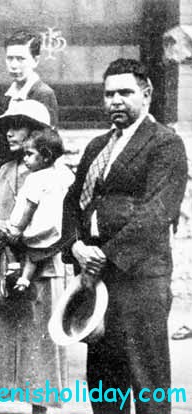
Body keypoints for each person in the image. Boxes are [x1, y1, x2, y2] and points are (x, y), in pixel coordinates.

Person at [61, 58, 188, 414]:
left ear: (146, 94)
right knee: (103, 382)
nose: (114, 101)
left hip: (139, 279)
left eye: (124, 92)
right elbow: (73, 201)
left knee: (145, 378)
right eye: (108, 94)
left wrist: (104, 256)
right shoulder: (96, 146)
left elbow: (156, 213)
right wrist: (75, 246)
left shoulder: (165, 144)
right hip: (95, 277)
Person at [0, 99, 67, 414]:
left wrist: (30, 241)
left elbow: (62, 225)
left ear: (38, 133)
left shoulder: (57, 176)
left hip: (41, 268)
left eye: (19, 126)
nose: (11, 134)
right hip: (2, 268)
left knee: (38, 349)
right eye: (8, 127)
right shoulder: (2, 171)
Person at [6, 127, 73, 292]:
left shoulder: (35, 179)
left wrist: (18, 229)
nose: (25, 159)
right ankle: (24, 279)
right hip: (56, 230)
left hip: (37, 227)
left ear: (46, 156)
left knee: (21, 244)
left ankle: (18, 272)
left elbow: (29, 208)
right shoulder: (63, 173)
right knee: (38, 253)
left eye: (29, 154)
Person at [0, 30, 58, 166]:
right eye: (10, 58)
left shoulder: (43, 94)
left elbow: (48, 145)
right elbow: (2, 151)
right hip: (10, 173)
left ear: (35, 60)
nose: (13, 65)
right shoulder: (8, 97)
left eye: (20, 59)